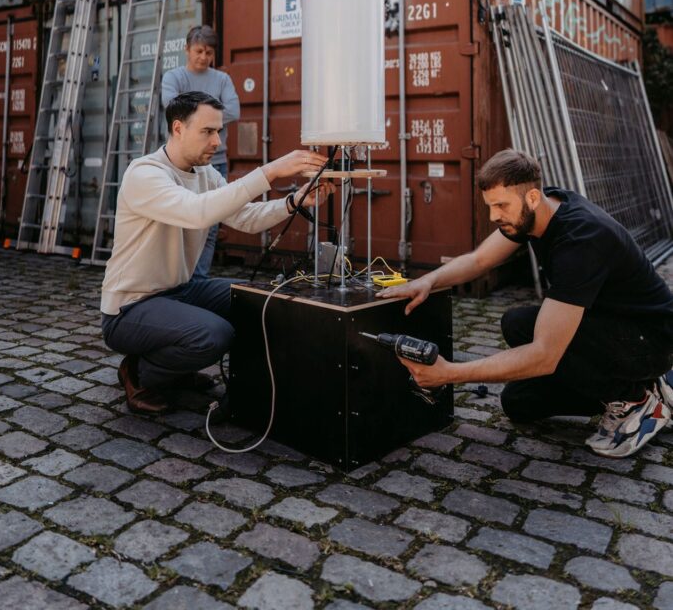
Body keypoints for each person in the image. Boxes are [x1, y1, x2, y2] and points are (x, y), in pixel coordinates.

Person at [382, 149, 673, 458]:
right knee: (519, 399)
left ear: (532, 197)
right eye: (490, 206)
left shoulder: (581, 239)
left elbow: (545, 355)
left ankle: (637, 401)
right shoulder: (537, 211)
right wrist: (427, 281)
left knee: (535, 339)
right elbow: (480, 259)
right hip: (604, 327)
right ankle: (641, 386)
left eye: (501, 206)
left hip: (650, 340)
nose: (494, 216)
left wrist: (449, 373)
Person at [101, 91, 333, 413]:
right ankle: (139, 373)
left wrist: (293, 202)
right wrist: (270, 171)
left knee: (255, 299)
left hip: (179, 291)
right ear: (178, 128)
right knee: (213, 335)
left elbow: (246, 218)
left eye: (219, 131)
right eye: (208, 132)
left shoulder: (205, 175)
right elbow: (197, 212)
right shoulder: (145, 174)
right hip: (130, 307)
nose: (218, 141)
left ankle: (183, 371)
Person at [161, 25, 240, 278]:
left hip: (216, 162)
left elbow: (234, 111)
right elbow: (171, 108)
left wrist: (194, 117)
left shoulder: (222, 79)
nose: (204, 57)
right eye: (198, 51)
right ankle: (177, 277)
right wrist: (211, 115)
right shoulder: (173, 77)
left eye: (209, 52)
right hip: (181, 164)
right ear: (187, 49)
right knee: (179, 223)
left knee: (211, 226)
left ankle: (199, 278)